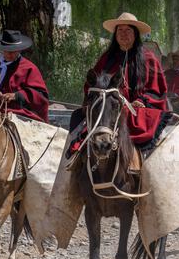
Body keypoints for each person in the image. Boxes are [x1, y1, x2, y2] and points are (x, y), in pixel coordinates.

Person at [69, 12, 170, 154]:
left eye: (128, 30)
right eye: (120, 30)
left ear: (135, 34)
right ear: (115, 35)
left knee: (146, 130)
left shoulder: (148, 59)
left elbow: (156, 90)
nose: (124, 34)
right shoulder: (107, 58)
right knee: (77, 119)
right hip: (108, 109)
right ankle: (70, 164)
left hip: (136, 110)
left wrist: (141, 100)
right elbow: (92, 85)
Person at [0, 29, 49, 123]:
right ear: (2, 49)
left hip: (17, 115)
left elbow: (41, 96)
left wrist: (16, 96)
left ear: (19, 50)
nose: (10, 54)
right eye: (7, 50)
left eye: (14, 51)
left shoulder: (29, 68)